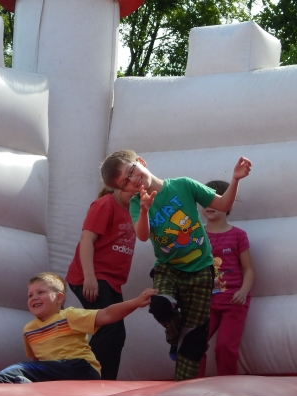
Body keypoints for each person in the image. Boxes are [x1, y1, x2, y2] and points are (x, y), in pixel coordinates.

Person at [100, 150, 251, 381]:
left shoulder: (183, 185)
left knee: (194, 341)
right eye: (125, 182)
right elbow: (143, 235)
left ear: (140, 162)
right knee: (160, 304)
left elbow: (223, 203)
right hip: (169, 268)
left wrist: (236, 179)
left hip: (201, 269)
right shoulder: (137, 204)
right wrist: (145, 209)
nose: (133, 180)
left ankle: (184, 386)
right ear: (124, 190)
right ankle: (174, 336)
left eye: (131, 171)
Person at [0, 272, 158, 383]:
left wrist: (136, 302)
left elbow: (106, 314)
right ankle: (21, 384)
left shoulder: (68, 316)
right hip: (56, 372)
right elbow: (37, 361)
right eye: (30, 295)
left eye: (41, 292)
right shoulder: (29, 329)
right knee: (29, 371)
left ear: (59, 298)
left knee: (20, 368)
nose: (34, 297)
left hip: (81, 367)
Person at [65, 186, 136, 380]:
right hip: (93, 278)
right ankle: (87, 379)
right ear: (117, 185)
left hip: (112, 281)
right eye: (131, 189)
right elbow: (87, 239)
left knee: (118, 334)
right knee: (108, 328)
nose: (136, 194)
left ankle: (106, 382)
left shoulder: (134, 209)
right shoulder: (105, 204)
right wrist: (89, 277)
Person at [197, 180, 254, 377]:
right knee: (195, 343)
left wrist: (243, 291)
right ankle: (194, 385)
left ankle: (228, 385)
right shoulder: (197, 235)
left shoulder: (238, 235)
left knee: (225, 347)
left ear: (228, 204)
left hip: (233, 300)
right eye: (205, 200)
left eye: (215, 200)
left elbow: (248, 270)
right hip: (205, 302)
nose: (209, 205)